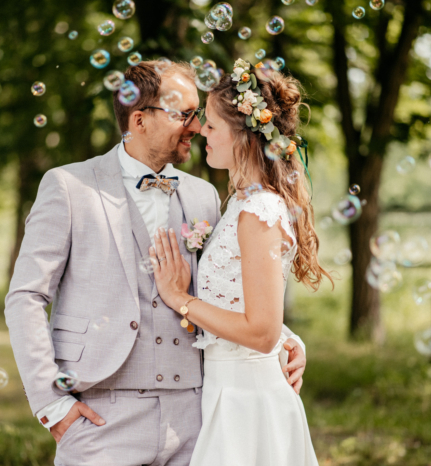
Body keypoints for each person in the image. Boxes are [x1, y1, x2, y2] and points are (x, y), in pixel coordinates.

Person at [4, 60, 309, 466]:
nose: (196, 126)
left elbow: (226, 286)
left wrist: (284, 339)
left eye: (198, 115)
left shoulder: (204, 195)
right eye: (183, 114)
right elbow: (25, 296)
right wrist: (53, 406)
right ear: (140, 120)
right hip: (101, 420)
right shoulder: (69, 186)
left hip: (196, 420)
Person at [149, 59, 332, 465]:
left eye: (211, 125)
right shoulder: (242, 205)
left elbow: (261, 332)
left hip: (247, 403)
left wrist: (179, 298)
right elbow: (251, 306)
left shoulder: (258, 211)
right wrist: (291, 338)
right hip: (227, 393)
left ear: (245, 136)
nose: (199, 132)